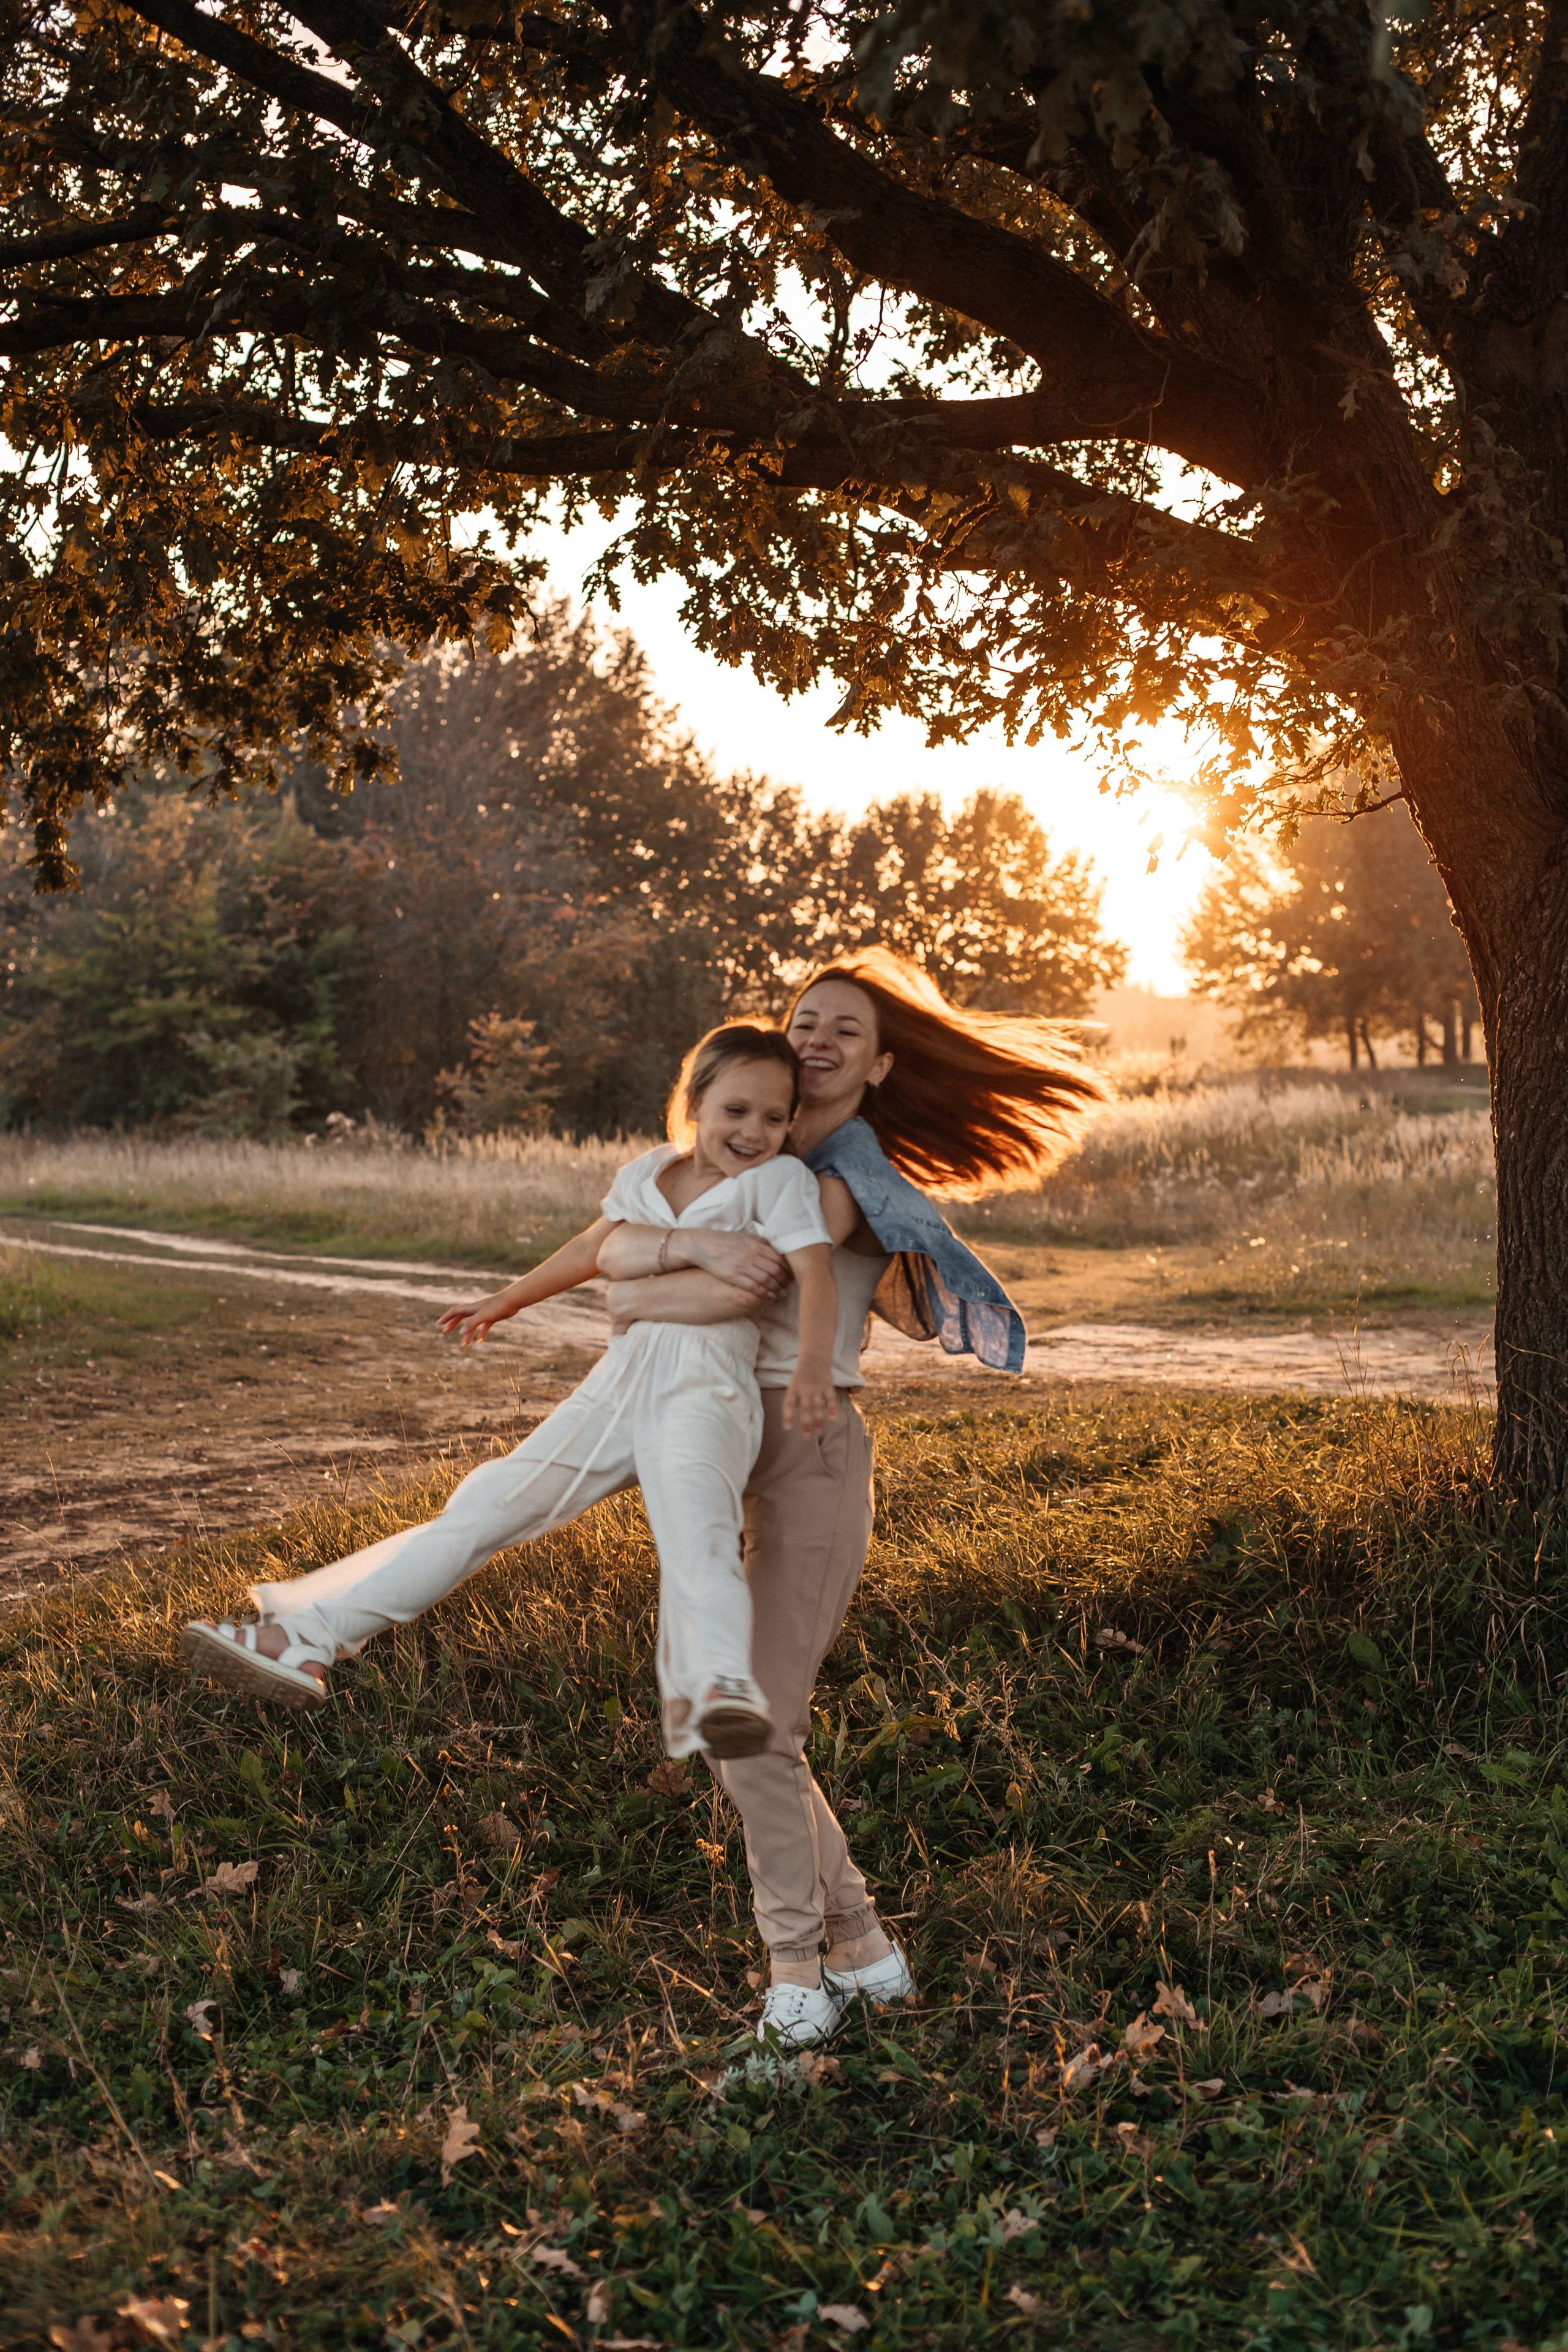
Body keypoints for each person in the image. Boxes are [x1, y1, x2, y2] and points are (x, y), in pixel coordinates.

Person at [596, 947, 1106, 2048]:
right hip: (725, 1453)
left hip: (813, 1464)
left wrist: (637, 1268)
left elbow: (705, 1275)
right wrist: (637, 1263)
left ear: (878, 1068)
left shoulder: (844, 1186)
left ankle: (798, 1982)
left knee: (753, 1728)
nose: (818, 1040)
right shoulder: (763, 1157)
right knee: (740, 1723)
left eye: (845, 1033)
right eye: (805, 1020)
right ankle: (867, 1954)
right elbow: (641, 1261)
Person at [180, 1025, 841, 1764]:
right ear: (695, 1102)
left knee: (700, 1538)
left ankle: (722, 1690)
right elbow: (593, 1249)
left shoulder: (778, 1183)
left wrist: (813, 1365)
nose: (754, 1131)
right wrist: (509, 1298)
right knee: (485, 1507)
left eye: (775, 1118)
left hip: (705, 1388)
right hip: (617, 1384)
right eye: (736, 1110)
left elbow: (813, 1272)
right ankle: (308, 1641)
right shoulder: (652, 1171)